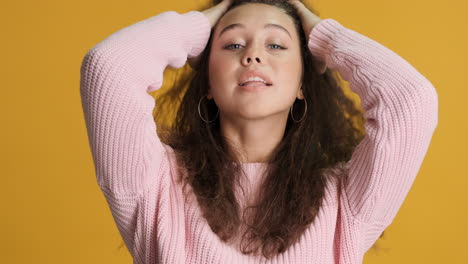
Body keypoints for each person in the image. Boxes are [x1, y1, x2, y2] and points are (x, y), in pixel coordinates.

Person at [79, 0, 439, 263]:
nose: (253, 55)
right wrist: (197, 26)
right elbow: (108, 68)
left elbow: (411, 100)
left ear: (302, 84)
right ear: (206, 81)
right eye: (233, 44)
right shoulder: (155, 187)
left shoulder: (347, 202)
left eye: (277, 45)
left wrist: (326, 38)